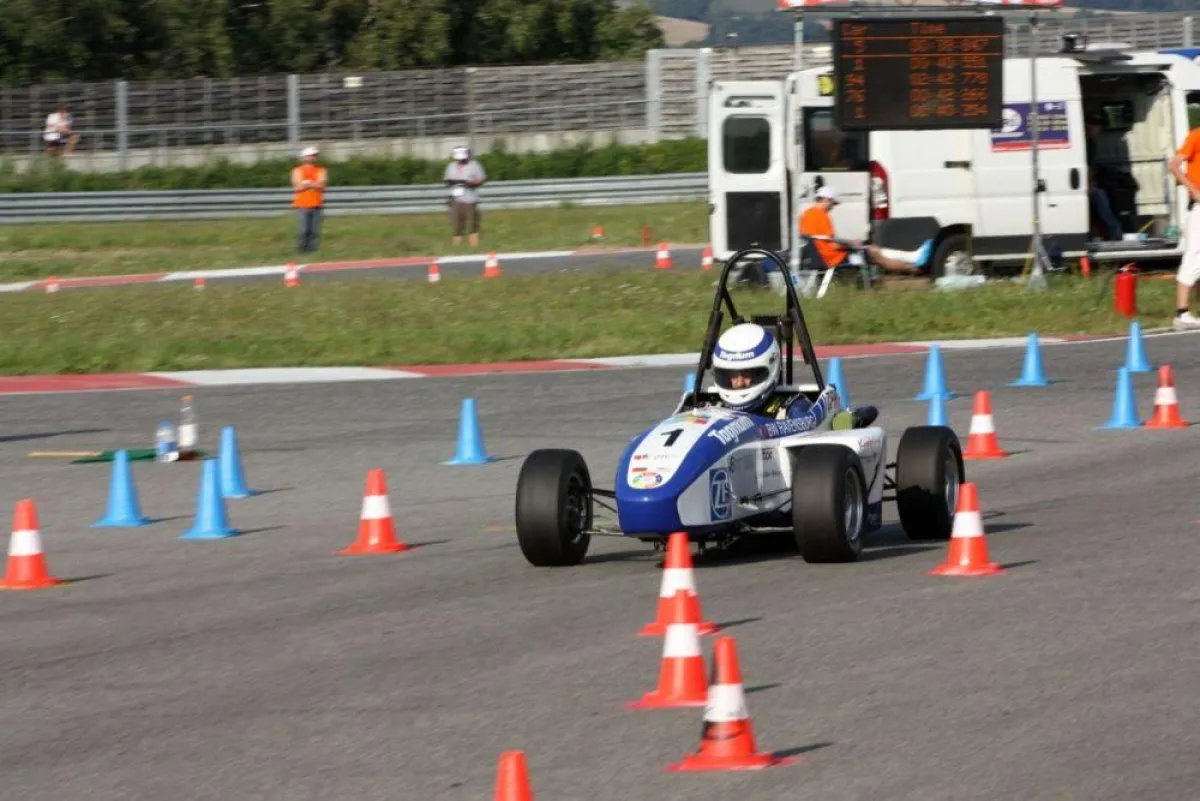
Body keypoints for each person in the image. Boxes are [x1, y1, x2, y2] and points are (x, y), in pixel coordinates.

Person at [799, 186, 930, 276]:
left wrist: (849, 243)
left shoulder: (806, 215)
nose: (832, 207)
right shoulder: (821, 216)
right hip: (831, 258)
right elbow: (832, 245)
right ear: (827, 200)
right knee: (877, 256)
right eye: (833, 204)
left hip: (819, 257)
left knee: (873, 249)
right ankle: (914, 267)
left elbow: (824, 241)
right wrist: (851, 245)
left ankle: (913, 258)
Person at [710, 323, 812, 419]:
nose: (740, 383)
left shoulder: (792, 411)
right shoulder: (712, 410)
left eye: (746, 374)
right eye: (733, 375)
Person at [1169, 123, 1200, 330]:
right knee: (1194, 255)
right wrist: (1193, 189)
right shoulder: (1196, 136)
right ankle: (1181, 312)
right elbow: (1174, 165)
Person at [1085, 112, 1124, 241]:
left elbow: (1092, 166)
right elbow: (1088, 167)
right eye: (1095, 127)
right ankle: (1115, 235)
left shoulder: (1090, 143)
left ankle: (1109, 233)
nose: (1097, 130)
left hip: (1087, 182)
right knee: (1102, 201)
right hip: (1085, 183)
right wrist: (1088, 184)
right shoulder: (1086, 143)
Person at [444, 146, 487, 246]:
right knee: (456, 224)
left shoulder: (474, 165)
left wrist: (471, 183)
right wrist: (451, 182)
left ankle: (474, 245)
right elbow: (446, 180)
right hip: (455, 198)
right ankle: (456, 246)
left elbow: (481, 179)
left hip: (469, 199)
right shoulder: (451, 166)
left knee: (472, 224)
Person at [291, 146, 327, 254]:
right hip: (302, 204)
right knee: (303, 230)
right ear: (304, 157)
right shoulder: (297, 170)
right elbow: (297, 187)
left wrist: (308, 183)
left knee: (315, 231)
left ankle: (313, 250)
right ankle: (302, 249)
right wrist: (313, 184)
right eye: (310, 155)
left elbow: (322, 185)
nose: (313, 158)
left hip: (317, 204)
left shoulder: (321, 169)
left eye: (314, 155)